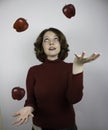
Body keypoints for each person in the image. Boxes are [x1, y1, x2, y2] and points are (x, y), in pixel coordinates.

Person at [12, 27, 100, 130]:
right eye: (46, 40)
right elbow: (31, 100)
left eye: (56, 39)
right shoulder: (33, 71)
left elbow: (74, 98)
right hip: (39, 127)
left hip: (66, 127)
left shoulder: (71, 68)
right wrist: (28, 107)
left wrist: (78, 67)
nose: (51, 43)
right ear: (42, 46)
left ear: (61, 44)